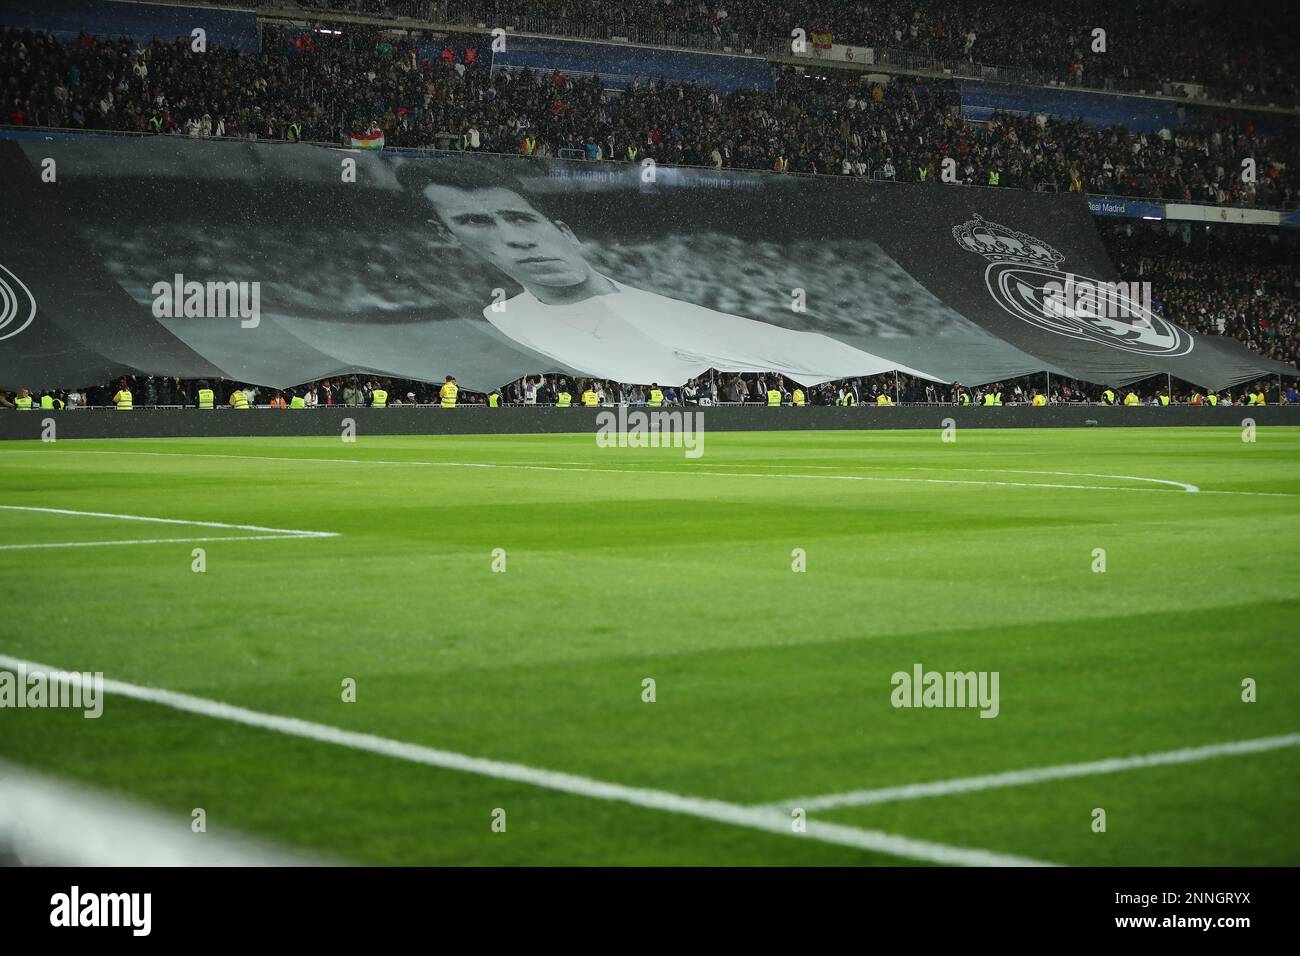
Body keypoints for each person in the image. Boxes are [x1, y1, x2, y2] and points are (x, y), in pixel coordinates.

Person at [406, 165, 932, 387]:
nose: (515, 238)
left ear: (562, 230)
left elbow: (819, 357)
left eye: (521, 218)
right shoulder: (506, 320)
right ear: (449, 238)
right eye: (475, 222)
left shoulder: (686, 313)